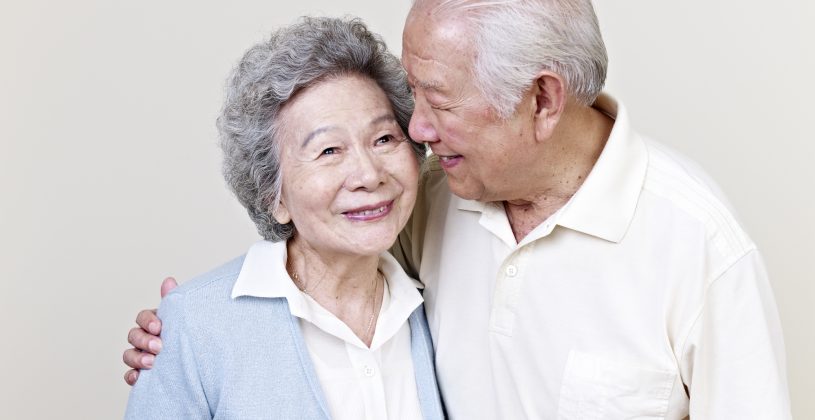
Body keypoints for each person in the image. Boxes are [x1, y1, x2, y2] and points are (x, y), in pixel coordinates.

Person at [125, 1, 792, 418]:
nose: (413, 136)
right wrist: (188, 338)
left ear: (542, 98)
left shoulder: (697, 245)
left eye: (436, 102)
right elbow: (314, 269)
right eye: (409, 99)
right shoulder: (430, 200)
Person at [124, 16, 444, 420]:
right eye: (329, 150)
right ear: (273, 196)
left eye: (384, 139)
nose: (368, 174)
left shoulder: (435, 305)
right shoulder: (194, 325)